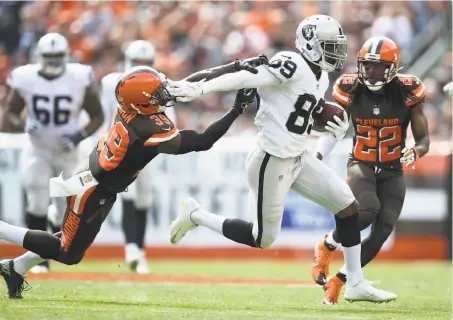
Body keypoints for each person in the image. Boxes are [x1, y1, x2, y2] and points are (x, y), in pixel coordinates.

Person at [167, 15, 396, 304]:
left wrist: (324, 121)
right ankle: (195, 215)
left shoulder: (320, 75)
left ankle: (355, 283)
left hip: (298, 156)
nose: (336, 52)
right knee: (262, 238)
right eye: (329, 46)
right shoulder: (292, 62)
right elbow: (247, 76)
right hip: (270, 161)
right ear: (310, 45)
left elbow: (295, 114)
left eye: (337, 46)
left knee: (348, 206)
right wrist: (201, 88)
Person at [0, 61, 262, 299]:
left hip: (95, 176)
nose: (164, 94)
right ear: (142, 101)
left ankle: (16, 268)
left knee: (71, 238)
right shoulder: (146, 128)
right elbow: (203, 141)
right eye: (157, 93)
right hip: (94, 187)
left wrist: (234, 67)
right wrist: (237, 108)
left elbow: (188, 83)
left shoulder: (132, 108)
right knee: (68, 253)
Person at [312, 36, 430, 304]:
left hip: (392, 169)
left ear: (394, 67)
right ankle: (327, 243)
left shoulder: (408, 90)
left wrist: (415, 151)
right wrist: (318, 155)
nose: (372, 72)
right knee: (365, 213)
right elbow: (334, 128)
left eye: (379, 66)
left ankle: (341, 281)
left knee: (382, 230)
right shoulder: (348, 87)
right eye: (368, 65)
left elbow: (423, 139)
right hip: (361, 163)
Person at [1, 33, 104, 273]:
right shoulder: (25, 77)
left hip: (70, 152)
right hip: (38, 149)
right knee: (36, 202)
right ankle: (38, 261)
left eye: (58, 56)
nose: (54, 61)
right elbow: (11, 113)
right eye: (49, 56)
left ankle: (46, 240)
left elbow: (97, 115)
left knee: (64, 211)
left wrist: (79, 135)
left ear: (66, 56)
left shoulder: (79, 77)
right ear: (39, 56)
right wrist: (23, 124)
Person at [97, 40, 178, 273]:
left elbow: (170, 120)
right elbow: (104, 117)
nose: (141, 68)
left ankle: (138, 251)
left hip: (149, 148)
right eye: (137, 63)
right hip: (122, 147)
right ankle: (132, 248)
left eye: (145, 63)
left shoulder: (160, 83)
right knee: (128, 196)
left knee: (143, 199)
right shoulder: (111, 83)